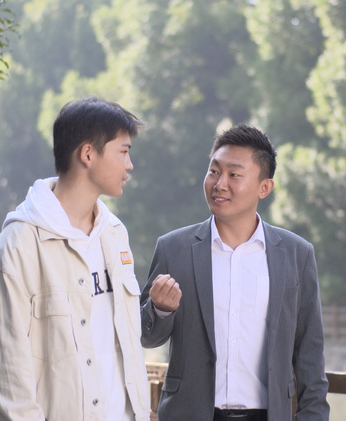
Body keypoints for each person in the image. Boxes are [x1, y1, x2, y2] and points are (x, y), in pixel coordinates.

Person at [0, 97, 150, 421]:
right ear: (88, 154)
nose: (130, 165)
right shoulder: (15, 250)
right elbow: (6, 382)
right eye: (123, 152)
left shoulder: (114, 234)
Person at [140, 124, 330, 421]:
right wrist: (161, 310)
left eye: (234, 175)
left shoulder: (296, 253)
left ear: (264, 188)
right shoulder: (173, 249)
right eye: (214, 171)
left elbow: (310, 350)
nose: (220, 184)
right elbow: (146, 337)